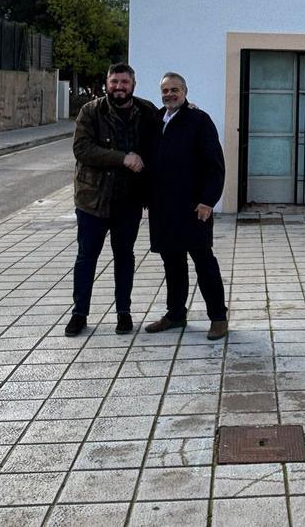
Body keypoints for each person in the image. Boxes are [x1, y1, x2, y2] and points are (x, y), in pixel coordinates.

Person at [66, 63, 158, 337]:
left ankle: (124, 312)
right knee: (86, 258)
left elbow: (167, 125)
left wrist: (189, 109)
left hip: (128, 202)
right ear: (107, 82)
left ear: (134, 84)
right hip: (93, 200)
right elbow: (82, 149)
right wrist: (123, 158)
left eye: (125, 82)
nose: (119, 87)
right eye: (115, 81)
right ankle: (79, 314)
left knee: (124, 258)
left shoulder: (146, 110)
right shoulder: (90, 111)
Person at [143, 71, 229, 340]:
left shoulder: (199, 120)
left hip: (194, 208)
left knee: (204, 263)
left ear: (185, 91)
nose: (169, 94)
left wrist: (208, 201)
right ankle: (176, 314)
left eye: (175, 90)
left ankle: (218, 317)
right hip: (163, 208)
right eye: (165, 90)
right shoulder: (156, 120)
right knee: (172, 264)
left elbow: (215, 165)